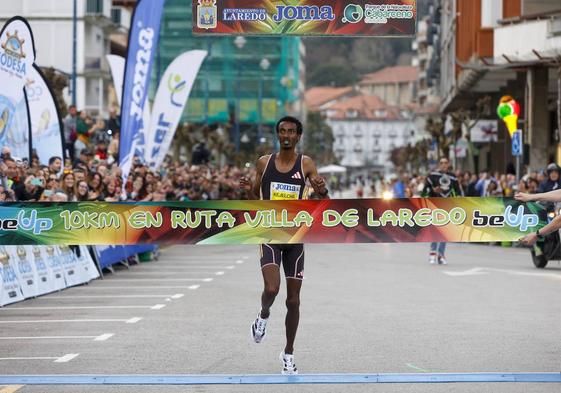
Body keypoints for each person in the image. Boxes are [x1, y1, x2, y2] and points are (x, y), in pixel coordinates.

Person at [239, 116, 328, 375]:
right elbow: (254, 199)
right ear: (278, 135)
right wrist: (246, 191)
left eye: (291, 131)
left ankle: (288, 354)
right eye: (282, 131)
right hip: (268, 233)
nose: (286, 135)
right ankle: (263, 315)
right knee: (272, 287)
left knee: (294, 301)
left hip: (294, 238)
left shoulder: (306, 163)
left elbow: (325, 199)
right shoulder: (264, 163)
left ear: (298, 136)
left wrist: (321, 190)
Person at [422, 157, 461, 264]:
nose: (444, 165)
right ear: (439, 164)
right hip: (434, 205)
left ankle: (441, 255)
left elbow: (458, 191)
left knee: (445, 231)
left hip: (447, 205)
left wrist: (458, 200)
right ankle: (432, 252)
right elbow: (424, 192)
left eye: (445, 163)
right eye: (442, 163)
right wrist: (433, 190)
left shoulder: (453, 177)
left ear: (448, 164)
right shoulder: (432, 176)